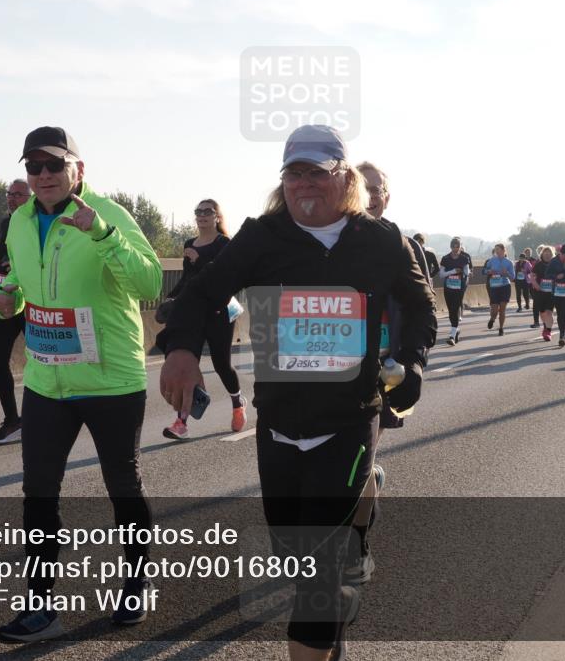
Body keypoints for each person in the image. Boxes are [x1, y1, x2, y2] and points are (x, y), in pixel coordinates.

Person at [160, 125, 436, 661]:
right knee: (295, 553)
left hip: (350, 419)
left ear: (345, 178)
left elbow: (421, 304)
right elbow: (201, 292)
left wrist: (412, 361)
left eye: (317, 172)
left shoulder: (380, 240)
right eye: (294, 174)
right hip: (279, 423)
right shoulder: (262, 238)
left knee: (317, 563)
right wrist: (180, 349)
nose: (304, 184)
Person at [0, 127, 163, 643]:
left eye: (54, 165)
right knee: (38, 493)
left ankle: (135, 582)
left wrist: (101, 235)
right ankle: (40, 605)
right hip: (47, 380)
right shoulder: (19, 222)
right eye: (33, 167)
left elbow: (151, 284)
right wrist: (7, 298)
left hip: (111, 379)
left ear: (77, 170)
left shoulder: (108, 214)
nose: (43, 175)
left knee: (123, 487)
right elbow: (19, 285)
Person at [350, 161, 436, 584]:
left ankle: (357, 546)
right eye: (362, 188)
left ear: (388, 195)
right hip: (336, 369)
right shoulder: (328, 241)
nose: (371, 196)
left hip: (385, 369)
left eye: (377, 189)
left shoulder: (403, 245)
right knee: (339, 463)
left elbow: (423, 308)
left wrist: (413, 361)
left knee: (359, 461)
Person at [162, 200, 248, 440]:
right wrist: (170, 299)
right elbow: (188, 280)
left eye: (207, 211)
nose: (202, 216)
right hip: (193, 314)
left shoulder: (224, 244)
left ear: (217, 217)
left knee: (222, 364)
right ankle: (181, 422)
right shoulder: (189, 243)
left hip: (220, 311)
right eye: (198, 212)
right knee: (188, 365)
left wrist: (198, 260)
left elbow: (220, 278)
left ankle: (237, 401)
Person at [0, 179, 32, 444]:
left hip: (32, 298)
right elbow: (7, 261)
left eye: (18, 194)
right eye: (9, 194)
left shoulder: (37, 222)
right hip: (6, 298)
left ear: (30, 196)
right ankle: (13, 420)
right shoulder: (6, 224)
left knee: (40, 359)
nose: (11, 198)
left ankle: (46, 417)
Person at [440, 237, 473, 346]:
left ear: (459, 247)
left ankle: (452, 335)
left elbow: (467, 272)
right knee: (451, 311)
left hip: (459, 287)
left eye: (457, 246)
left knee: (455, 308)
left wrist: (465, 271)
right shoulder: (445, 258)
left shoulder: (464, 259)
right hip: (448, 287)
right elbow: (441, 275)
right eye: (454, 247)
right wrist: (453, 271)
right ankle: (456, 329)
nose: (455, 249)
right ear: (451, 247)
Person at [485, 244, 516, 336]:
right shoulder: (492, 260)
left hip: (505, 287)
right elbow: (484, 270)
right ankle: (492, 319)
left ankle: (501, 328)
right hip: (494, 287)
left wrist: (506, 273)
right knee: (494, 310)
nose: (496, 251)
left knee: (502, 309)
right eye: (495, 250)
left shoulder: (509, 262)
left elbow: (513, 277)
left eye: (498, 249)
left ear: (503, 250)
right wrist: (489, 271)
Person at [528, 245, 556, 341]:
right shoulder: (538, 265)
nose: (547, 255)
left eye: (549, 253)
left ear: (552, 255)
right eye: (545, 253)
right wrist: (536, 284)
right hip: (540, 292)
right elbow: (532, 276)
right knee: (542, 312)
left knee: (549, 312)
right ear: (542, 254)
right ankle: (545, 326)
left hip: (551, 293)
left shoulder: (555, 264)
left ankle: (548, 331)